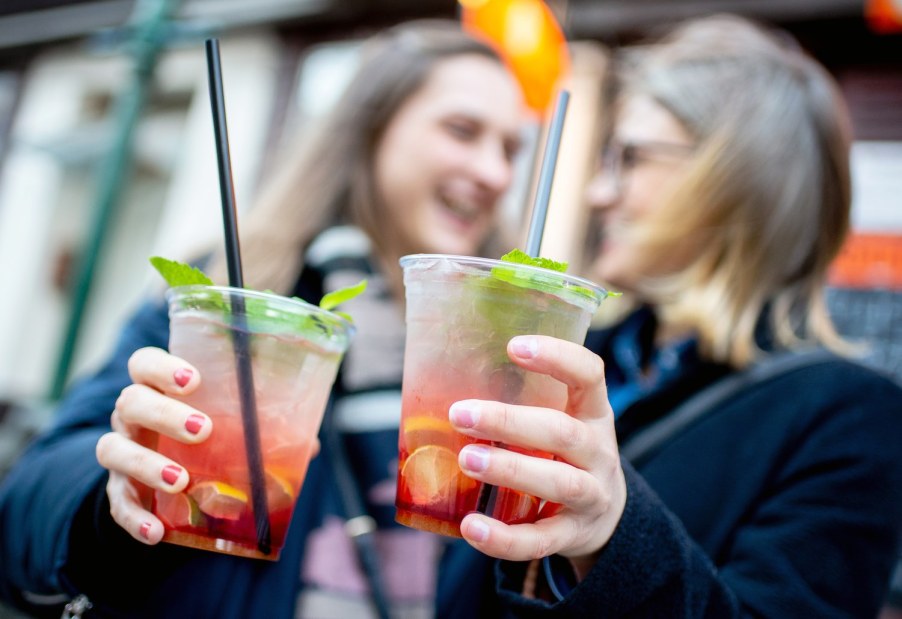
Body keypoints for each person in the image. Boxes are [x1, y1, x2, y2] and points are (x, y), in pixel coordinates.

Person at [0, 18, 532, 618]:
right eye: (463, 131)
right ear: (369, 132)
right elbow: (22, 509)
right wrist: (112, 496)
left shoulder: (509, 347)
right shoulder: (234, 292)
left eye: (511, 149)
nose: (496, 173)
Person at [444, 12, 902, 617]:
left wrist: (617, 534)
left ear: (733, 177)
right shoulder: (586, 355)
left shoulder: (850, 418)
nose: (597, 194)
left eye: (629, 159)